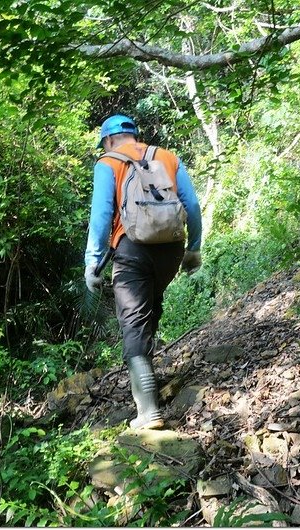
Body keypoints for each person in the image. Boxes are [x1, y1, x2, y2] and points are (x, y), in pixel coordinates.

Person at [84, 114, 203, 430]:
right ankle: (149, 379)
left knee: (133, 320)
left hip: (132, 247)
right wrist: (194, 248)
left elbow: (102, 215)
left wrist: (93, 263)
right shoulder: (166, 156)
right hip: (171, 248)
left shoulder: (107, 163)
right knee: (150, 304)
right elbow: (191, 205)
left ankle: (148, 412)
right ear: (135, 135)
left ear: (108, 140)